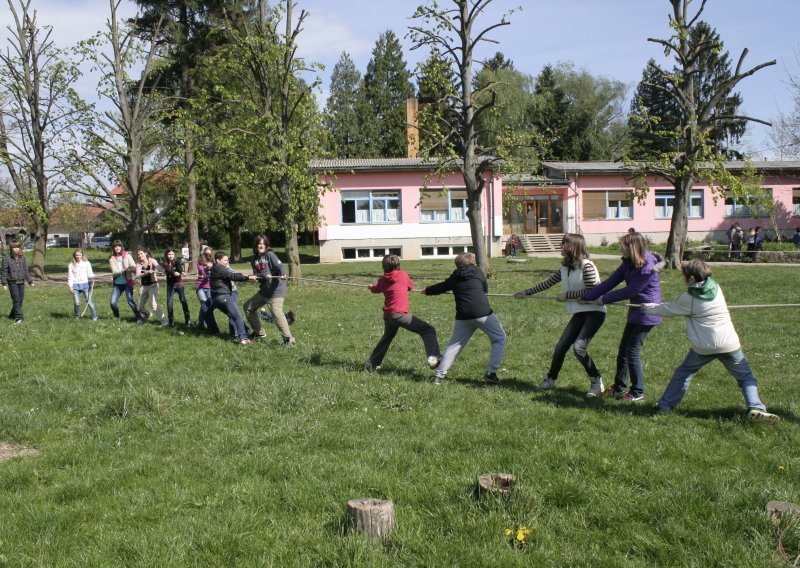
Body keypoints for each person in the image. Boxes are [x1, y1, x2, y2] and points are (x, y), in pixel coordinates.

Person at [641, 260, 780, 422]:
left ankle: (664, 407)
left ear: (691, 279)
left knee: (684, 372)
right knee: (746, 377)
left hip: (704, 347)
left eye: (684, 276)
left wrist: (646, 308)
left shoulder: (689, 298)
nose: (683, 279)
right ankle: (756, 408)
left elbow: (667, 309)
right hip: (729, 344)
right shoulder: (716, 287)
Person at [514, 234, 606, 399]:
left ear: (573, 247)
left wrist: (568, 295)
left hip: (594, 312)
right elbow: (547, 283)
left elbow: (593, 291)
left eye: (564, 244)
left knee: (578, 348)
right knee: (560, 348)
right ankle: (551, 379)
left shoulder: (587, 266)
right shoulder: (565, 268)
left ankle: (596, 381)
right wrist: (526, 293)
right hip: (579, 313)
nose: (561, 246)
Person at [580, 232, 663, 402]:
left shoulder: (647, 268)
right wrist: (588, 297)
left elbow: (630, 290)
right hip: (635, 311)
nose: (620, 249)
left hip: (648, 312)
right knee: (623, 350)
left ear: (631, 248)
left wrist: (603, 299)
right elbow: (610, 282)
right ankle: (619, 386)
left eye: (623, 246)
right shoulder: (628, 263)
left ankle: (637, 391)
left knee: (632, 351)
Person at [422, 252, 506, 385]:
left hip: (463, 316)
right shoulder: (478, 273)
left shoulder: (455, 276)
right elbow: (485, 289)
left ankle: (439, 377)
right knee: (499, 339)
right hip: (483, 314)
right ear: (472, 262)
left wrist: (427, 290)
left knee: (454, 346)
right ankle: (491, 373)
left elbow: (442, 287)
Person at [364, 254, 440, 372]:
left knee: (387, 337)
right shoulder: (403, 275)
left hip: (389, 316)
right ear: (398, 265)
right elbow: (410, 286)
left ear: (384, 266)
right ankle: (433, 358)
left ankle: (372, 363)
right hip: (400, 315)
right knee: (428, 330)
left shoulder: (383, 279)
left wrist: (370, 287)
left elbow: (376, 289)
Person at [243, 235, 296, 346]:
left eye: (263, 243)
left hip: (276, 291)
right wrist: (263, 275)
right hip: (264, 291)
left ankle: (289, 339)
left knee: (277, 313)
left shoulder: (270, 255)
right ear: (256, 245)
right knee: (248, 307)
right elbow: (257, 274)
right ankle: (259, 333)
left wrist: (283, 274)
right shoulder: (254, 259)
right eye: (259, 243)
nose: (261, 245)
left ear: (266, 245)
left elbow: (279, 266)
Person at [209, 250, 257, 344]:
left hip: (217, 298)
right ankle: (244, 338)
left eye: (227, 260)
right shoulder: (219, 268)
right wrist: (248, 278)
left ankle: (235, 336)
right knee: (237, 316)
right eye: (225, 260)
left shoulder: (217, 267)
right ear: (218, 260)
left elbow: (233, 274)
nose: (227, 262)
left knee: (232, 315)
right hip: (223, 296)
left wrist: (245, 276)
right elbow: (231, 276)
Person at [1, 239, 34, 323]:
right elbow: (4, 271)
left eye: (17, 247)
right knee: (16, 300)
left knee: (20, 300)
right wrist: (4, 283)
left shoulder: (22, 258)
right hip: (12, 282)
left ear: (19, 248)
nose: (16, 249)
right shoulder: (7, 258)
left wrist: (30, 281)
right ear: (11, 248)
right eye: (14, 247)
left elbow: (25, 270)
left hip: (21, 282)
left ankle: (12, 315)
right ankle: (19, 318)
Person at [108, 240, 141, 322]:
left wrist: (130, 269)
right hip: (117, 284)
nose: (117, 248)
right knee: (112, 302)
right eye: (115, 246)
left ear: (121, 247)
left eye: (118, 246)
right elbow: (114, 272)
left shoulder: (127, 255)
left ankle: (139, 318)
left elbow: (133, 266)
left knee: (130, 301)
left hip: (127, 282)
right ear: (113, 248)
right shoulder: (111, 258)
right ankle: (116, 316)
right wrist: (122, 271)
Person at [134, 247, 168, 327]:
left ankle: (165, 321)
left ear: (145, 253)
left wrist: (163, 269)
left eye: (141, 253)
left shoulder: (152, 261)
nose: (139, 255)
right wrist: (146, 273)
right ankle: (148, 315)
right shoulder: (139, 264)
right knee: (139, 307)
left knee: (153, 304)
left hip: (153, 285)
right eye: (138, 254)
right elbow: (137, 275)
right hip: (143, 286)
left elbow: (159, 269)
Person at [163, 247, 192, 328]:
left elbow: (180, 270)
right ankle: (171, 322)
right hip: (170, 285)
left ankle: (188, 320)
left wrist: (178, 272)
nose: (170, 256)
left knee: (183, 301)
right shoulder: (165, 263)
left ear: (174, 255)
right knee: (169, 303)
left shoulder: (177, 261)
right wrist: (173, 272)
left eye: (172, 254)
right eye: (169, 254)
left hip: (179, 284)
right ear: (166, 255)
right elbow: (167, 270)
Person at [67, 248, 98, 320]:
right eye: (76, 255)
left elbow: (89, 274)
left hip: (85, 285)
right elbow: (70, 276)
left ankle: (95, 317)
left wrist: (93, 276)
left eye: (79, 255)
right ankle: (77, 316)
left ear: (82, 255)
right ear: (74, 256)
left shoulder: (87, 263)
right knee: (77, 302)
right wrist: (70, 286)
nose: (78, 257)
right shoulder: (71, 265)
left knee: (89, 301)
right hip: (75, 285)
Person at [195, 247, 219, 334]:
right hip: (200, 286)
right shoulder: (200, 261)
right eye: (206, 254)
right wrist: (206, 274)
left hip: (210, 287)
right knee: (204, 304)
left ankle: (201, 323)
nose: (207, 256)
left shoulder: (214, 262)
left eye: (209, 254)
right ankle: (207, 325)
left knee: (209, 306)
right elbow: (202, 271)